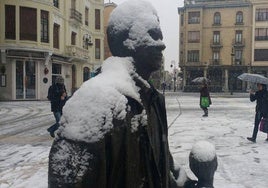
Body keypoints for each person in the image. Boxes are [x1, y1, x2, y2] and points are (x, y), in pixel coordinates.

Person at [48, 1, 193, 187]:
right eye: (153, 36)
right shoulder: (95, 103)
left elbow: (160, 166)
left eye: (161, 37)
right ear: (128, 41)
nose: (162, 45)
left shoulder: (154, 99)